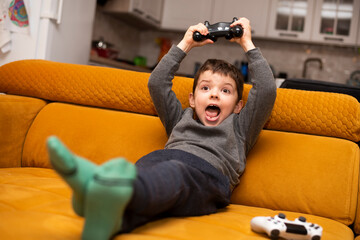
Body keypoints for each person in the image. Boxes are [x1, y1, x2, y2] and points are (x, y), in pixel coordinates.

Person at [47, 17, 277, 240]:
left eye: (225, 91)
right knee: (148, 175)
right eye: (205, 88)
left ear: (238, 106)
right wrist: (185, 43)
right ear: (193, 100)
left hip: (207, 177)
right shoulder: (179, 118)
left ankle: (100, 189)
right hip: (159, 164)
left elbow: (266, 89)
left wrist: (247, 42)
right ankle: (107, 215)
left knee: (174, 174)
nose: (215, 93)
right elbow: (157, 83)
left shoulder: (240, 128)